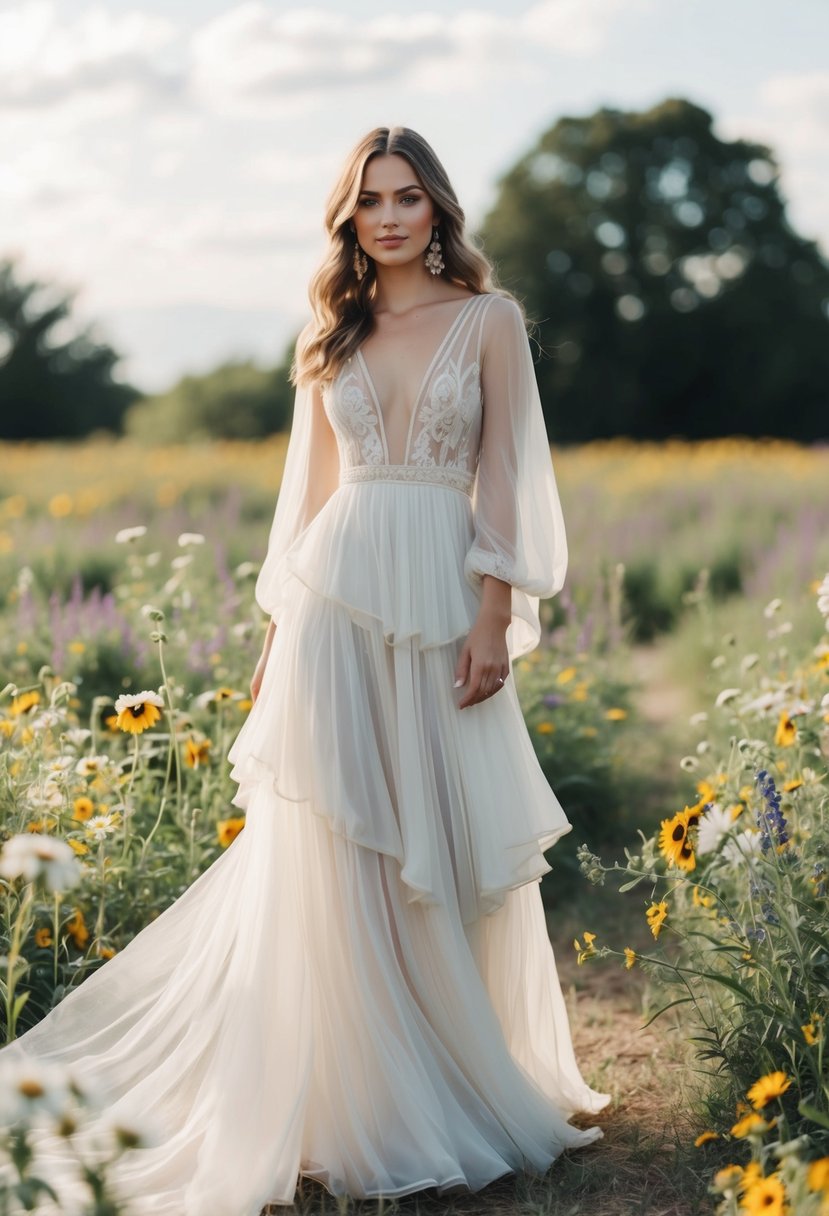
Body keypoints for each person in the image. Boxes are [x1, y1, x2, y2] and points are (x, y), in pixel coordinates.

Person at [0, 125, 610, 1215]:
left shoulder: (490, 321)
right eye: (369, 199)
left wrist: (494, 611)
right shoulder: (331, 331)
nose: (387, 216)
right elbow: (308, 501)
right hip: (332, 603)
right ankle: (348, 1093)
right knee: (338, 841)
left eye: (407, 197)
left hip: (437, 594)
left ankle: (451, 1074)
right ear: (349, 216)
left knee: (439, 832)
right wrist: (277, 637)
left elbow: (510, 476)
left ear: (438, 211)